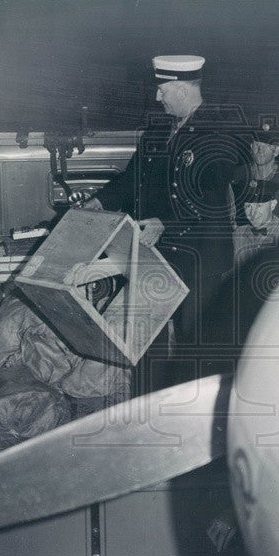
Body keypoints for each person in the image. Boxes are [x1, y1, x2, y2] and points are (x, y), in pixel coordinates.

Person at [73, 55, 250, 373]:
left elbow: (209, 195)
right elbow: (130, 181)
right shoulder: (157, 133)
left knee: (194, 343)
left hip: (199, 255)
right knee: (145, 338)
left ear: (182, 90)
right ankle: (148, 409)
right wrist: (98, 203)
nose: (157, 97)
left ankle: (194, 414)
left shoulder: (219, 132)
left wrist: (166, 223)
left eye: (162, 90)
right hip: (156, 252)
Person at [232, 179, 279, 269]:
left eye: (259, 206)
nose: (252, 213)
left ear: (272, 205)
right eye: (248, 206)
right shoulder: (239, 234)